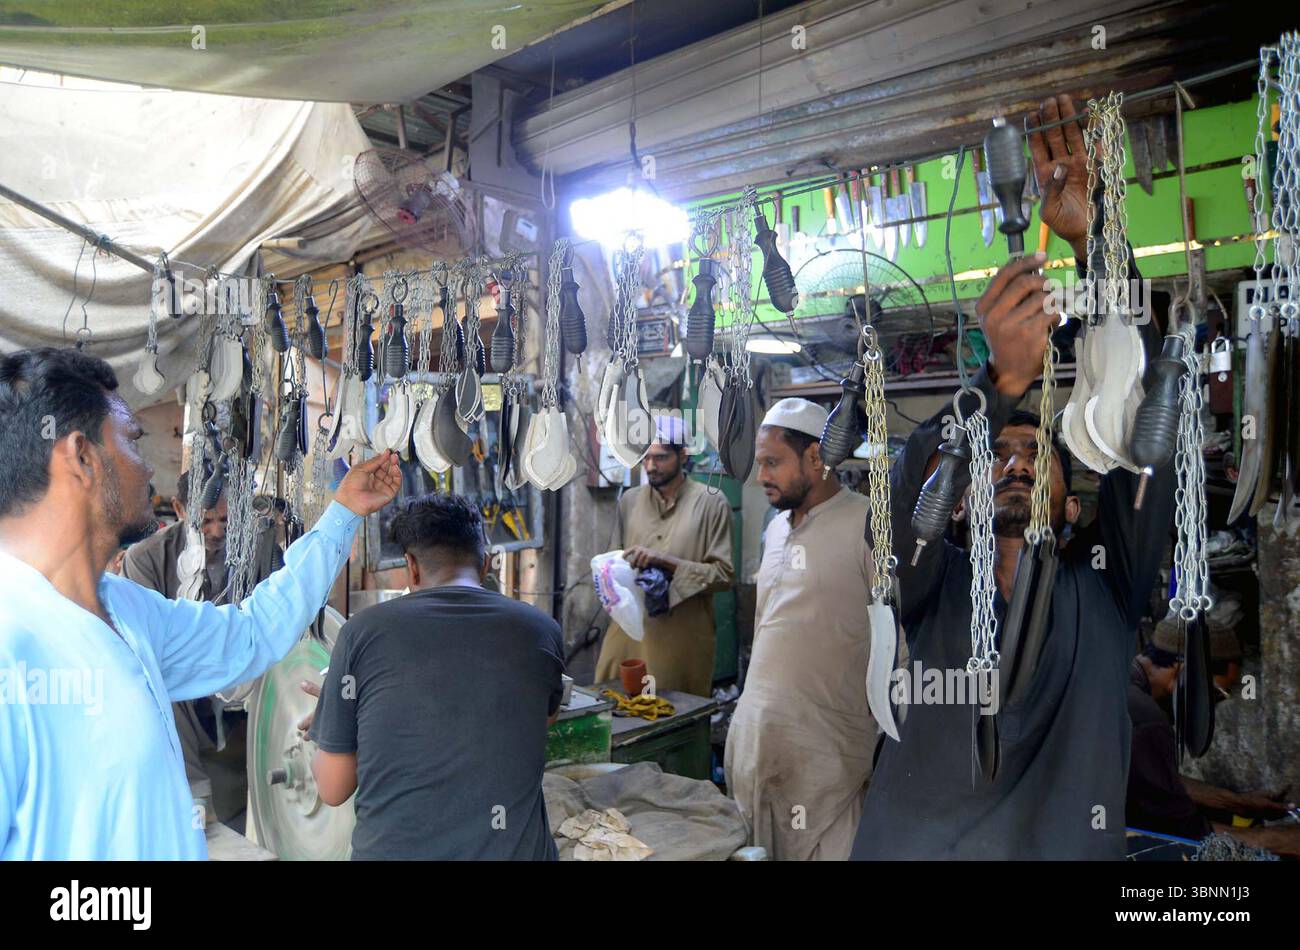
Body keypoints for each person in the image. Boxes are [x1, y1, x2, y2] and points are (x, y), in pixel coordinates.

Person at [851, 94, 1177, 859]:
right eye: (1000, 452)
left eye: (1040, 456)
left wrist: (1102, 246)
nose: (1018, 461)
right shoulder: (929, 586)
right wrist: (996, 385)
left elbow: (1149, 418)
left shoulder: (1107, 588)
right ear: (961, 503)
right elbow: (897, 511)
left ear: (1074, 509)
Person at [0, 347, 400, 860]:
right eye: (131, 439)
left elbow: (253, 632)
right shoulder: (13, 640)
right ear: (81, 457)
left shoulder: (127, 611)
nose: (147, 469)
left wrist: (342, 512)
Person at [305, 493, 565, 860]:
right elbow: (543, 716)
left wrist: (333, 721)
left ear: (411, 566)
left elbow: (332, 789)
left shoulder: (362, 633)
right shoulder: (541, 630)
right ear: (487, 563)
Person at [724, 398, 877, 861]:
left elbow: (901, 643)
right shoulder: (774, 529)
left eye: (773, 463)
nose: (761, 476)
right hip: (759, 747)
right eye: (759, 463)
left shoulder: (870, 523)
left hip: (829, 759)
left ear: (816, 457)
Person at [122, 472, 279, 827]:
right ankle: (193, 797)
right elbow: (148, 647)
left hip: (246, 677)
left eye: (225, 519)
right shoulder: (145, 558)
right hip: (184, 683)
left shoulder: (261, 550)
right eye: (204, 520)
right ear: (179, 509)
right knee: (156, 682)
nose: (216, 531)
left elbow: (277, 621)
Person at [593, 415, 734, 696]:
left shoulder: (711, 503)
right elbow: (614, 563)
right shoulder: (630, 501)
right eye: (646, 458)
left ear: (682, 455)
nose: (650, 466)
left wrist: (663, 560)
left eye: (660, 458)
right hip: (630, 632)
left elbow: (724, 575)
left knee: (674, 716)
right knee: (612, 705)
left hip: (681, 638)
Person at [1126, 628, 1294, 841]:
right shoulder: (1145, 718)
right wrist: (1280, 841)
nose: (1211, 708)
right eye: (1215, 695)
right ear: (1182, 672)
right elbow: (1179, 829)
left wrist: (1232, 801)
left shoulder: (1118, 677)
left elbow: (1146, 780)